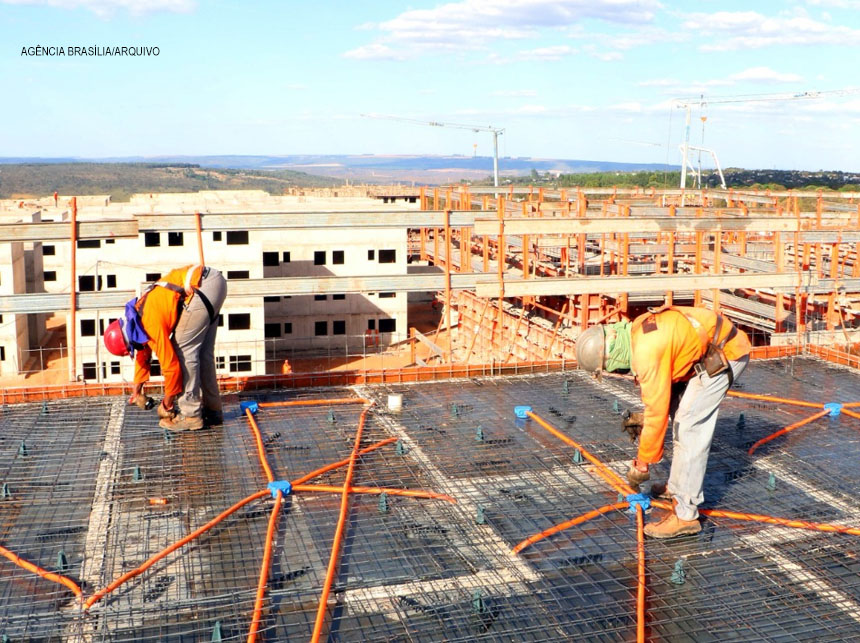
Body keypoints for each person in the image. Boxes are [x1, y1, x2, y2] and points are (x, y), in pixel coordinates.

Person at [576, 305, 751, 539]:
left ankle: (686, 516)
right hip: (705, 351)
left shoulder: (646, 354)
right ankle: (677, 488)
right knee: (679, 416)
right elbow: (660, 396)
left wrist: (642, 464)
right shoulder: (636, 331)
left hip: (725, 354)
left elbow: (657, 413)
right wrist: (645, 420)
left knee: (689, 426)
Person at [103, 264, 227, 432]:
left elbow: (172, 368)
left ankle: (191, 415)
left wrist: (167, 404)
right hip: (213, 282)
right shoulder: (138, 316)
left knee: (182, 350)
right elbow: (143, 353)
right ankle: (213, 411)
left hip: (201, 288)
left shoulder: (150, 325)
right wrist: (137, 390)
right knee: (203, 353)